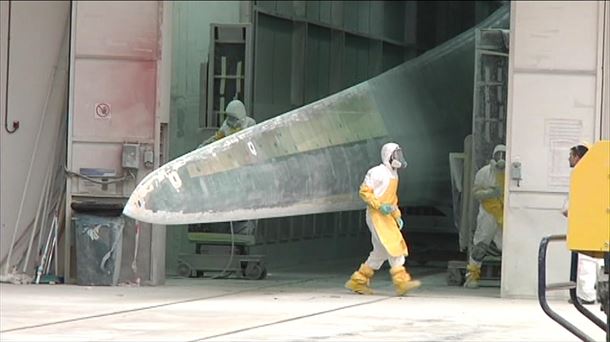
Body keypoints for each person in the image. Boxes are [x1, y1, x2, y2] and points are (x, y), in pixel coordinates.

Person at [345, 142, 421, 296]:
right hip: (376, 215)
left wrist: (396, 215)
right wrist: (379, 206)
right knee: (394, 248)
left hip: (386, 216)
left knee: (379, 253)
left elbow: (392, 199)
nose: (399, 158)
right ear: (388, 156)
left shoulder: (394, 174)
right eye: (396, 154)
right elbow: (365, 192)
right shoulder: (377, 172)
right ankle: (401, 282)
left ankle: (358, 281)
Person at [197, 99, 257, 235]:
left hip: (245, 170)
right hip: (230, 169)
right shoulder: (227, 126)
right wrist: (201, 149)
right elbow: (216, 139)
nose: (230, 120)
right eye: (228, 117)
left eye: (233, 117)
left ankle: (243, 229)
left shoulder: (250, 125)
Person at [464, 144, 506, 289]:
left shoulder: (512, 173)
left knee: (508, 247)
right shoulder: (484, 172)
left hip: (507, 215)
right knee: (480, 246)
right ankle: (472, 276)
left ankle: (512, 279)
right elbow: (476, 193)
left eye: (504, 155)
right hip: (488, 214)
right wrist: (490, 193)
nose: (501, 159)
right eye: (498, 155)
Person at [562, 144, 600, 305]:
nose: (569, 159)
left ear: (578, 157)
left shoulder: (582, 175)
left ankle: (586, 295)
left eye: (571, 155)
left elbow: (572, 205)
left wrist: (568, 211)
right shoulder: (595, 173)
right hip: (596, 223)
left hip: (586, 223)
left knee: (586, 261)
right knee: (598, 260)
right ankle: (595, 293)